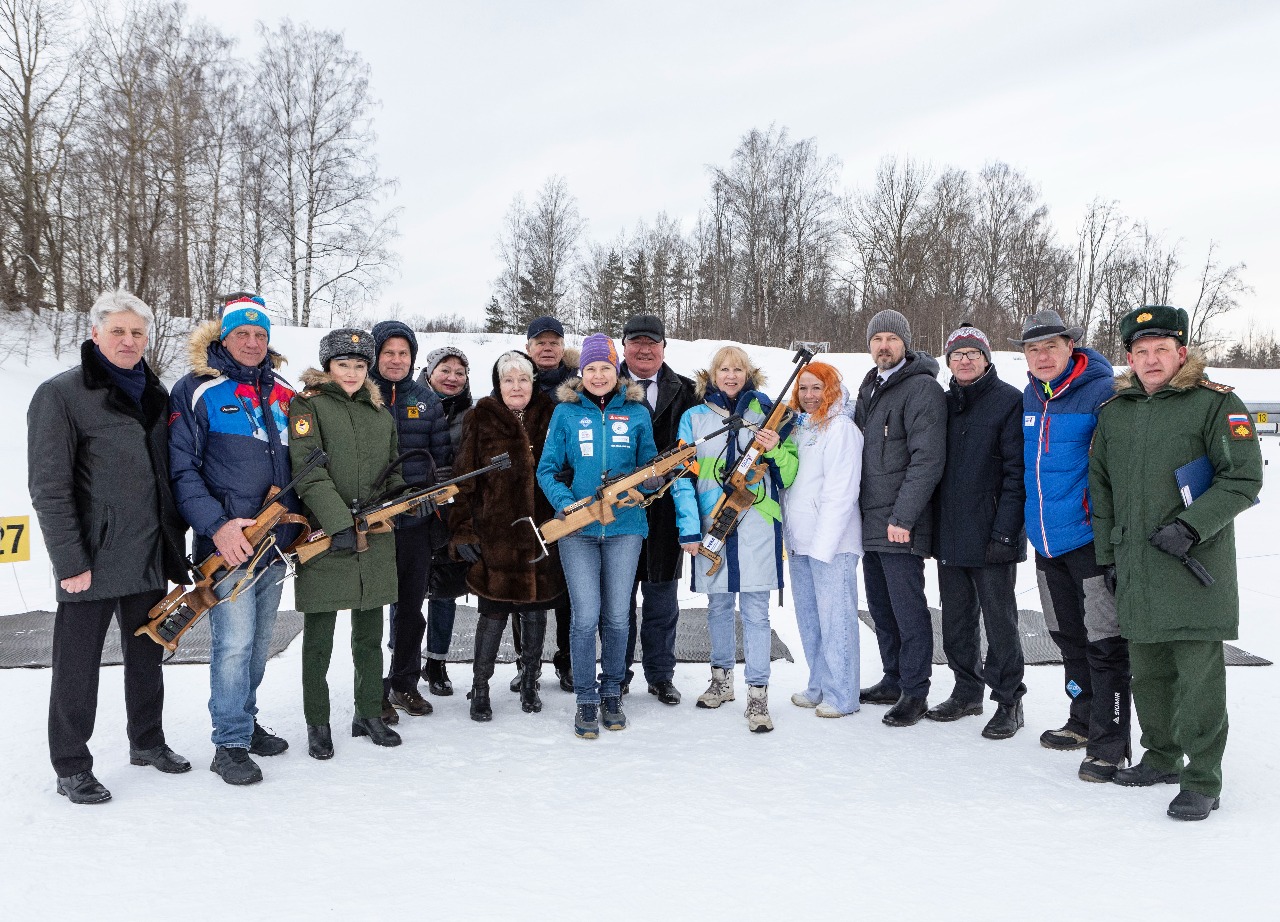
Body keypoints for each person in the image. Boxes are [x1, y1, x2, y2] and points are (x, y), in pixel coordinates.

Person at [1090, 306, 1263, 821]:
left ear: (1180, 352)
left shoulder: (1216, 404)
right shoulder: (1115, 411)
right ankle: (1161, 756)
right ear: (1129, 358)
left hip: (1192, 566)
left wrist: (1191, 525)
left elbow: (1243, 479)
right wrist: (1108, 558)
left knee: (1198, 677)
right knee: (1148, 674)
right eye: (1140, 351)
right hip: (1136, 567)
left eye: (1161, 349)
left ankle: (1202, 778)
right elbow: (1102, 492)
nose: (1151, 359)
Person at [27, 289, 190, 804]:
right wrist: (70, 561)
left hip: (147, 554)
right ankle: (71, 763)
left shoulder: (156, 395)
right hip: (91, 559)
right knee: (77, 666)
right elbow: (49, 487)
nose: (128, 340)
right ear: (94, 334)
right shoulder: (62, 394)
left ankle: (147, 742)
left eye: (137, 332)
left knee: (148, 655)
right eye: (117, 331)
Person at [168, 292, 296, 785]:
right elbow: (182, 470)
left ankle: (245, 720)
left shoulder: (283, 392)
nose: (251, 342)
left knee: (260, 641)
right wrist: (217, 527)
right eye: (242, 333)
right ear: (223, 337)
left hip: (275, 543)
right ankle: (229, 743)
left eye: (260, 334)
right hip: (229, 546)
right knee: (234, 644)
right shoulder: (197, 389)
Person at [1012, 309, 1132, 782]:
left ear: (1071, 347)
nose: (1042, 357)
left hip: (1088, 540)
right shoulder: (1031, 395)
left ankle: (1111, 741)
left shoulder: (1102, 392)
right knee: (1066, 636)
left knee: (1105, 642)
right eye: (1032, 349)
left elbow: (1117, 471)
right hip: (1046, 540)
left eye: (1050, 347)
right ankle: (1082, 720)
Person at [289, 328, 406, 758]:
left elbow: (392, 470)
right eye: (343, 365)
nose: (353, 373)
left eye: (360, 365)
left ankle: (368, 712)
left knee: (369, 633)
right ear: (328, 367)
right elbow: (306, 470)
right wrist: (337, 522)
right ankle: (317, 722)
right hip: (324, 535)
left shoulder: (380, 413)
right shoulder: (308, 406)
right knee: (319, 636)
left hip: (374, 535)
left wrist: (405, 499)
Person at [672, 345, 798, 733]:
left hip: (757, 527)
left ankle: (757, 695)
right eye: (723, 369)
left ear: (749, 373)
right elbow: (682, 478)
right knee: (719, 607)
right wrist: (689, 528)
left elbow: (790, 473)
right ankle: (721, 680)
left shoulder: (770, 414)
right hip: (714, 525)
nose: (731, 375)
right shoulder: (693, 418)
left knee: (757, 613)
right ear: (712, 375)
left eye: (738, 369)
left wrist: (776, 449)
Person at [537, 333, 658, 738]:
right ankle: (585, 698)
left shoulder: (637, 412)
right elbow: (547, 469)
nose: (599, 375)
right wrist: (566, 502)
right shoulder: (565, 414)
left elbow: (652, 469)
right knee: (585, 616)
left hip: (625, 529)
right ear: (581, 373)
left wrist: (643, 486)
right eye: (591, 369)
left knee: (618, 616)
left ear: (616, 370)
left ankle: (612, 692)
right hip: (577, 531)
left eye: (606, 367)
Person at [449, 351, 565, 721]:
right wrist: (463, 530)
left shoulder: (552, 413)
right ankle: (480, 687)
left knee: (534, 610)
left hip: (543, 533)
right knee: (493, 611)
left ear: (534, 382)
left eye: (524, 379)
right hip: (496, 534)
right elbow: (464, 480)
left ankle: (530, 680)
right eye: (508, 380)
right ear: (498, 384)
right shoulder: (481, 417)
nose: (517, 387)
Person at [928, 323, 1028, 739]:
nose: (965, 360)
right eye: (957, 354)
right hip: (950, 532)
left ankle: (1009, 701)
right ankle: (967, 691)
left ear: (987, 358)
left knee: (999, 622)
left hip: (992, 535)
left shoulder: (1008, 401)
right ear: (948, 361)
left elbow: (1015, 473)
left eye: (973, 353)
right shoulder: (945, 403)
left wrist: (1005, 534)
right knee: (956, 620)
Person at [854, 309, 947, 728]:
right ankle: (893, 678)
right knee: (881, 607)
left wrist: (904, 516)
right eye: (877, 339)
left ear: (905, 344)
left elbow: (927, 460)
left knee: (908, 609)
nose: (884, 346)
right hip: (869, 519)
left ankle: (915, 690)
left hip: (897, 522)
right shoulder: (870, 385)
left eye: (892, 338)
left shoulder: (922, 389)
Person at [368, 320, 451, 724]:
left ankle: (404, 682)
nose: (396, 360)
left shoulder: (427, 400)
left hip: (415, 522)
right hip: (370, 522)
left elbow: (443, 462)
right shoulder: (360, 394)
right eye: (388, 353)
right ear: (376, 356)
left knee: (410, 608)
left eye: (403, 353)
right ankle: (372, 690)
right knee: (369, 609)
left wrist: (433, 503)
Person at [617, 314, 699, 705]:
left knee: (662, 599)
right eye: (637, 342)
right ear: (624, 346)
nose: (644, 349)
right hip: (617, 511)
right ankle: (616, 673)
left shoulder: (685, 391)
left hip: (667, 513)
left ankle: (661, 674)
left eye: (652, 342)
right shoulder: (603, 385)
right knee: (616, 602)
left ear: (664, 347)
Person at [782, 362, 863, 718]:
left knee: (836, 620)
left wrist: (824, 546)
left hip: (831, 544)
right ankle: (818, 685)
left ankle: (843, 694)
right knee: (811, 619)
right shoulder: (800, 428)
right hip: (800, 541)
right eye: (804, 389)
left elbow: (840, 492)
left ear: (830, 389)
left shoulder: (841, 428)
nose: (810, 396)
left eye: (817, 388)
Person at [524, 315, 579, 691]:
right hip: (526, 499)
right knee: (525, 583)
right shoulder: (515, 382)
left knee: (568, 586)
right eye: (540, 342)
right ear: (529, 347)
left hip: (568, 497)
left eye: (553, 342)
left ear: (562, 347)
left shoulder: (577, 386)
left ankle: (567, 659)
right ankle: (526, 663)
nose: (547, 348)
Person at [416, 345, 474, 695]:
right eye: (445, 370)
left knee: (445, 591)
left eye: (459, 372)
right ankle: (401, 658)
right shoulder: (409, 403)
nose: (452, 378)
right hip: (414, 507)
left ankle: (436, 662)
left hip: (453, 510)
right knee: (406, 592)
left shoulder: (472, 413)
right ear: (429, 371)